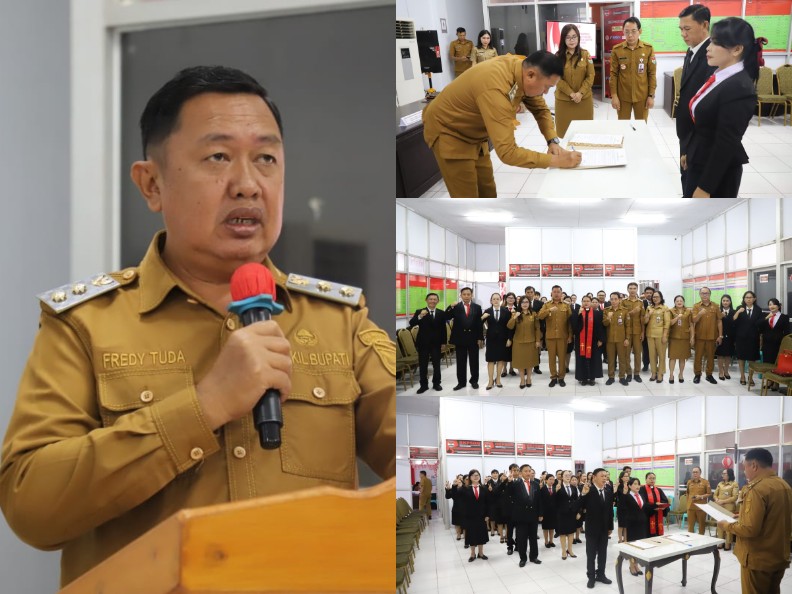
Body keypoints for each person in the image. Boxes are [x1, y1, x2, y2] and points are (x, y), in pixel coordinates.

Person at [0, 66, 396, 587]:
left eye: (266, 159)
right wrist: (204, 406)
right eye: (218, 157)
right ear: (152, 184)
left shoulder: (339, 322)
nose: (248, 185)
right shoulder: (86, 325)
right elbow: (31, 503)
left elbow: (418, 454)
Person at [422, 51, 582, 197]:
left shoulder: (521, 68)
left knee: (487, 191)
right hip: (449, 131)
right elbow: (508, 152)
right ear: (531, 75)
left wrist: (552, 141)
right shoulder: (495, 87)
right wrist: (557, 161)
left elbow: (540, 110)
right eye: (547, 87)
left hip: (475, 134)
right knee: (467, 198)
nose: (546, 92)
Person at [682, 17, 764, 197]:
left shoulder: (739, 87)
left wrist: (705, 188)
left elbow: (726, 143)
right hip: (701, 157)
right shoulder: (719, 75)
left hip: (717, 174)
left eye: (716, 43)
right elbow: (705, 124)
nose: (708, 48)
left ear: (736, 49)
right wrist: (691, 152)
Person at [717, 448, 792, 594]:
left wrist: (726, 525)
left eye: (745, 467)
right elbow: (773, 518)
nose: (744, 471)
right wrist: (742, 516)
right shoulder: (784, 486)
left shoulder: (757, 489)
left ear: (754, 466)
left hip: (758, 559)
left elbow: (749, 529)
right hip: (778, 555)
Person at [676, 5, 717, 193]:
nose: (683, 34)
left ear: (705, 25)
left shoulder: (712, 55)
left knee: (694, 185)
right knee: (686, 180)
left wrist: (690, 147)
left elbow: (707, 108)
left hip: (698, 138)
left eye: (687, 29)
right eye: (681, 29)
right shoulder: (691, 51)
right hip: (687, 135)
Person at [609, 17, 656, 121]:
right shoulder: (617, 50)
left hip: (642, 97)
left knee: (641, 126)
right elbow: (613, 75)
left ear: (640, 31)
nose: (630, 35)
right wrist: (614, 96)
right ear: (623, 32)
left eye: (633, 31)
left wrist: (651, 96)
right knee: (623, 126)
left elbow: (652, 74)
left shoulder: (648, 49)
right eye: (627, 32)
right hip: (623, 97)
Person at [554, 24, 595, 138]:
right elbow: (556, 78)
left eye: (574, 37)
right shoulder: (557, 56)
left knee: (585, 134)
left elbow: (590, 76)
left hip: (583, 101)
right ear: (563, 39)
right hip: (564, 101)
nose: (571, 40)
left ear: (578, 37)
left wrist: (580, 93)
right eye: (568, 37)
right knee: (564, 135)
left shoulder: (585, 54)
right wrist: (571, 93)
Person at [578, 468, 614, 589]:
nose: (605, 478)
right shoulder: (588, 490)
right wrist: (583, 494)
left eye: (606, 476)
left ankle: (601, 575)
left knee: (603, 553)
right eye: (602, 476)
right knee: (591, 554)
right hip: (592, 529)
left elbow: (610, 512)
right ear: (594, 477)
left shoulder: (608, 491)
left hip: (604, 529)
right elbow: (577, 506)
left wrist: (610, 527)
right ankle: (591, 577)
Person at [409, 292, 450, 393]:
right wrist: (420, 316)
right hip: (423, 343)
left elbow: (443, 329)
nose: (432, 301)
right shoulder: (420, 311)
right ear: (426, 300)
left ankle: (436, 383)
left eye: (435, 299)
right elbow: (412, 323)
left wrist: (443, 343)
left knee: (437, 364)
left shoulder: (441, 313)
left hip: (437, 343)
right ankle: (423, 385)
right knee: (423, 365)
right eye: (430, 299)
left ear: (438, 301)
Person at [447, 287, 484, 390]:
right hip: (460, 338)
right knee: (461, 362)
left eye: (468, 294)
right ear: (461, 295)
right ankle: (461, 382)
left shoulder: (477, 307)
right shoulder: (456, 307)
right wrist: (450, 306)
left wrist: (480, 338)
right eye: (464, 294)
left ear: (472, 295)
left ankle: (474, 381)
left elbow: (479, 324)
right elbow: (446, 316)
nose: (466, 296)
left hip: (473, 338)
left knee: (474, 361)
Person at [538, 285, 574, 387]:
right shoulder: (547, 305)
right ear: (551, 293)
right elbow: (540, 316)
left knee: (562, 358)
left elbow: (570, 322)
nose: (556, 293)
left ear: (561, 293)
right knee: (552, 358)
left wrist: (570, 335)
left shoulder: (566, 305)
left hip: (563, 336)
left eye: (558, 292)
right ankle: (553, 377)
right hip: (550, 336)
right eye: (554, 292)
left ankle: (561, 377)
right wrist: (549, 310)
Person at [509, 464, 544, 567]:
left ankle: (533, 557)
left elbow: (539, 500)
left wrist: (540, 513)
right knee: (522, 539)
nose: (528, 473)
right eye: (525, 471)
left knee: (533, 538)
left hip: (533, 515)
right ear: (521, 473)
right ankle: (523, 558)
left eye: (529, 471)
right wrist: (509, 482)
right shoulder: (516, 484)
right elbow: (509, 495)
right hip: (521, 516)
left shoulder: (536, 484)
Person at [621, 478, 655, 576]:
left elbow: (645, 508)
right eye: (635, 484)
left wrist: (656, 507)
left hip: (642, 524)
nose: (637, 486)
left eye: (638, 484)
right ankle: (631, 565)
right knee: (632, 546)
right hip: (632, 525)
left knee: (639, 546)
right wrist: (624, 493)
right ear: (630, 486)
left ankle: (636, 565)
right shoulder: (627, 496)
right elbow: (622, 507)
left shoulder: (641, 495)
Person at [507, 296, 542, 388]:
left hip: (531, 342)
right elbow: (509, 326)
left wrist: (538, 340)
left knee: (530, 362)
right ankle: (522, 379)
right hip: (518, 343)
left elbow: (537, 328)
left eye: (527, 302)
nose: (525, 304)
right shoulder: (515, 313)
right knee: (520, 362)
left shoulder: (533, 314)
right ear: (520, 304)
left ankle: (529, 378)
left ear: (529, 303)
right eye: (523, 302)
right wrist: (514, 317)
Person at [692, 286, 724, 384]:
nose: (704, 295)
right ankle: (697, 375)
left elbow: (719, 321)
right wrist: (699, 314)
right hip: (699, 336)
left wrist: (720, 336)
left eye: (706, 293)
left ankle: (709, 375)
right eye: (702, 293)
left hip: (712, 336)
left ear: (710, 294)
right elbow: (694, 320)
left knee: (710, 357)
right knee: (698, 357)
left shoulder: (715, 306)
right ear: (700, 294)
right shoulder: (696, 306)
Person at [757, 298, 790, 391]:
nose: (771, 306)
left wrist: (784, 343)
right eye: (770, 304)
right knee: (767, 362)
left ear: (778, 306)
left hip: (778, 344)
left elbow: (787, 331)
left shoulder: (784, 317)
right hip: (767, 343)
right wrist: (767, 317)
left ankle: (776, 383)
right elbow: (758, 325)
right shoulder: (765, 316)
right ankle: (769, 381)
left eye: (774, 304)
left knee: (777, 363)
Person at [572, 295, 604, 386]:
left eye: (588, 301)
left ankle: (592, 378)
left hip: (593, 340)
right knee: (581, 359)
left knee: (593, 359)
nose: (586, 303)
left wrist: (601, 339)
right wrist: (578, 315)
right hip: (580, 341)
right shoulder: (577, 313)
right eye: (584, 301)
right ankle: (583, 378)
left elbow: (601, 328)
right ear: (581, 302)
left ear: (590, 302)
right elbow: (574, 327)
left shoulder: (597, 313)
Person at [733, 291, 762, 386]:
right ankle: (742, 376)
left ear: (754, 299)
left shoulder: (758, 310)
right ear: (744, 299)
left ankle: (751, 377)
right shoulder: (739, 308)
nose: (748, 299)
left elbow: (759, 324)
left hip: (753, 338)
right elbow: (734, 320)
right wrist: (738, 312)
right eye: (746, 297)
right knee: (741, 357)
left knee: (751, 358)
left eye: (750, 297)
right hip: (741, 338)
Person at [461, 469, 491, 562]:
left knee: (481, 534)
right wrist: (453, 486)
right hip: (470, 516)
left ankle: (481, 553)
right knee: (471, 535)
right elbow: (457, 498)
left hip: (482, 516)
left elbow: (488, 503)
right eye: (473, 475)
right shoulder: (466, 489)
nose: (476, 477)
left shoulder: (484, 488)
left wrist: (487, 515)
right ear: (470, 477)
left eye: (477, 475)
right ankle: (472, 554)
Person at [482, 293, 510, 390]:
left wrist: (509, 338)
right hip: (491, 339)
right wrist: (482, 317)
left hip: (502, 339)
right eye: (494, 299)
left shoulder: (506, 311)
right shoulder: (487, 311)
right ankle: (490, 381)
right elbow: (477, 324)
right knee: (490, 360)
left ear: (500, 300)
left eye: (497, 299)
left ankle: (498, 379)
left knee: (500, 359)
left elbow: (509, 326)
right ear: (491, 301)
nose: (496, 301)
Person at [602, 292, 630, 386]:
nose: (613, 301)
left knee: (622, 359)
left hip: (621, 339)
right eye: (612, 299)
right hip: (610, 339)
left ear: (619, 300)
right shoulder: (606, 310)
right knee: (610, 360)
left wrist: (627, 338)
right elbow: (604, 324)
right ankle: (611, 377)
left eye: (615, 299)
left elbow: (628, 326)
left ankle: (622, 377)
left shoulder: (625, 311)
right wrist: (608, 318)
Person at [644, 290, 671, 383]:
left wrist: (665, 335)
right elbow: (645, 322)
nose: (655, 298)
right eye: (654, 297)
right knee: (652, 355)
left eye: (657, 297)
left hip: (660, 335)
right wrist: (648, 314)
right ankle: (653, 372)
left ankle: (660, 373)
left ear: (661, 298)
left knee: (661, 355)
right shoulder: (649, 308)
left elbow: (667, 323)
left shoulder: (665, 308)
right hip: (650, 334)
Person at [668, 295, 694, 383]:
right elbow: (669, 323)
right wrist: (677, 318)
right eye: (677, 301)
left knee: (682, 358)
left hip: (685, 338)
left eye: (681, 301)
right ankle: (671, 375)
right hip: (674, 337)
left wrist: (692, 337)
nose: (679, 302)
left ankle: (681, 374)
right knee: (672, 357)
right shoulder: (671, 311)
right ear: (674, 302)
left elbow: (691, 325)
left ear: (683, 302)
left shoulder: (688, 311)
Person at [623, 282, 645, 382]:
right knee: (626, 354)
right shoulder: (623, 302)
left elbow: (642, 318)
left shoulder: (640, 302)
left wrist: (643, 332)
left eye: (634, 288)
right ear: (627, 289)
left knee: (637, 353)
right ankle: (628, 373)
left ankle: (636, 373)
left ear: (637, 290)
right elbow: (622, 316)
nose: (632, 290)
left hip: (637, 331)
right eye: (630, 288)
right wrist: (632, 312)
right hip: (626, 332)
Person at [713, 468, 739, 550]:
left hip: (729, 508)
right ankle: (720, 543)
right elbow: (715, 494)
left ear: (729, 475)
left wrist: (723, 501)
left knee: (728, 526)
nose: (723, 475)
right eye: (722, 473)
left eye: (725, 473)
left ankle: (728, 544)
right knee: (720, 525)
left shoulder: (734, 484)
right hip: (719, 507)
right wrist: (717, 499)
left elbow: (735, 497)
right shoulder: (720, 484)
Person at [555, 470, 579, 560]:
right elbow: (554, 501)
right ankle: (563, 551)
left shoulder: (573, 487)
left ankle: (570, 550)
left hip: (572, 513)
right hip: (561, 513)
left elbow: (576, 500)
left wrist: (578, 512)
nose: (568, 477)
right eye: (566, 475)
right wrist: (556, 491)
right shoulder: (558, 487)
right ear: (562, 477)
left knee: (571, 532)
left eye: (569, 475)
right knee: (562, 533)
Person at [639, 472, 669, 537]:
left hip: (658, 514)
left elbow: (665, 500)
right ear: (646, 480)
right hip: (648, 515)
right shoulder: (642, 489)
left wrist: (662, 505)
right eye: (650, 478)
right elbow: (643, 502)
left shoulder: (659, 490)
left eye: (653, 478)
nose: (652, 480)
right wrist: (654, 506)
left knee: (658, 535)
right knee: (648, 535)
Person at [686, 466, 711, 534]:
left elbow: (709, 493)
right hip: (691, 507)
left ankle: (701, 539)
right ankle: (691, 538)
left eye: (696, 472)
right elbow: (687, 493)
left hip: (701, 507)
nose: (695, 474)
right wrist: (687, 504)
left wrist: (701, 497)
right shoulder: (689, 482)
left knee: (701, 526)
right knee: (690, 526)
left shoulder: (705, 482)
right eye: (693, 472)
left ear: (700, 473)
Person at [525, 286, 544, 375]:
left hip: (537, 329)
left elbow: (542, 318)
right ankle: (526, 367)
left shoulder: (540, 303)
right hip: (525, 330)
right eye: (528, 292)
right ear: (525, 293)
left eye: (531, 292)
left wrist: (542, 330)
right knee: (526, 350)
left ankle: (536, 367)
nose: (530, 294)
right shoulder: (522, 302)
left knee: (537, 349)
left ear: (534, 293)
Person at [716, 294, 736, 380]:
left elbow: (735, 323)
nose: (725, 302)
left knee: (728, 355)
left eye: (727, 301)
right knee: (720, 355)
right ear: (721, 302)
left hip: (731, 336)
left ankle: (726, 371)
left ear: (730, 302)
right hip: (720, 336)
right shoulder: (718, 311)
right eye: (723, 301)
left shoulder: (734, 312)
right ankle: (720, 371)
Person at [502, 292, 519, 377]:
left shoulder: (518, 309)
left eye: (512, 298)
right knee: (504, 352)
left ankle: (511, 369)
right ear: (506, 299)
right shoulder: (502, 309)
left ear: (515, 300)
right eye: (509, 298)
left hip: (515, 333)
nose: (510, 299)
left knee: (513, 352)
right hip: (504, 333)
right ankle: (504, 369)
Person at [541, 474, 558, 549]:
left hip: (553, 512)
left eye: (553, 479)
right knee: (545, 528)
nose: (552, 481)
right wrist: (540, 513)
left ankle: (551, 541)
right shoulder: (542, 489)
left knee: (552, 527)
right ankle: (546, 542)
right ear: (546, 480)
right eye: (550, 479)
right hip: (545, 512)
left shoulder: (555, 489)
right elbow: (540, 502)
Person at [614, 470, 630, 543]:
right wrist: (617, 486)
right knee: (621, 525)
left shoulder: (629, 485)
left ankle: (625, 539)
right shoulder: (619, 486)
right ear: (621, 478)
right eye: (625, 476)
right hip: (621, 506)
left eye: (627, 476)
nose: (627, 477)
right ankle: (620, 539)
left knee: (626, 525)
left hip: (628, 506)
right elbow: (615, 495)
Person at [641, 287, 655, 371]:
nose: (649, 294)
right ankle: (645, 364)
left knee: (655, 348)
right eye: (647, 293)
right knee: (645, 348)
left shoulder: (657, 303)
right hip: (645, 328)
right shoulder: (641, 303)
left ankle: (655, 364)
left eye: (651, 293)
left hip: (655, 329)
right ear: (644, 294)